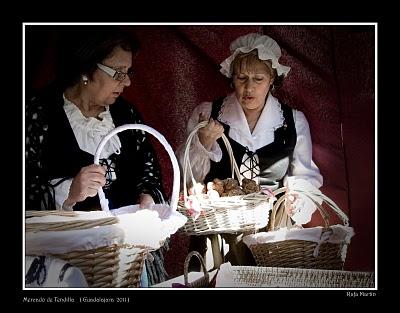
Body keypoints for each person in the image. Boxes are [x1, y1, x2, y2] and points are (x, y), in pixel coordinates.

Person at [25, 27, 168, 285]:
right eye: (118, 73)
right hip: (65, 268)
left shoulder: (127, 115)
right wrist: (69, 193)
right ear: (86, 68)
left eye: (129, 72)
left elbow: (150, 173)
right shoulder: (37, 114)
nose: (127, 82)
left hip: (126, 260)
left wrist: (148, 199)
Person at [177, 32, 323, 266]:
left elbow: (306, 177)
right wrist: (203, 143)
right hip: (216, 236)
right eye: (241, 77)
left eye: (258, 79)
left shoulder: (294, 121)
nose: (248, 88)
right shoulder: (207, 114)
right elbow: (187, 180)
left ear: (272, 79)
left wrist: (299, 199)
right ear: (232, 78)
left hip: (272, 237)